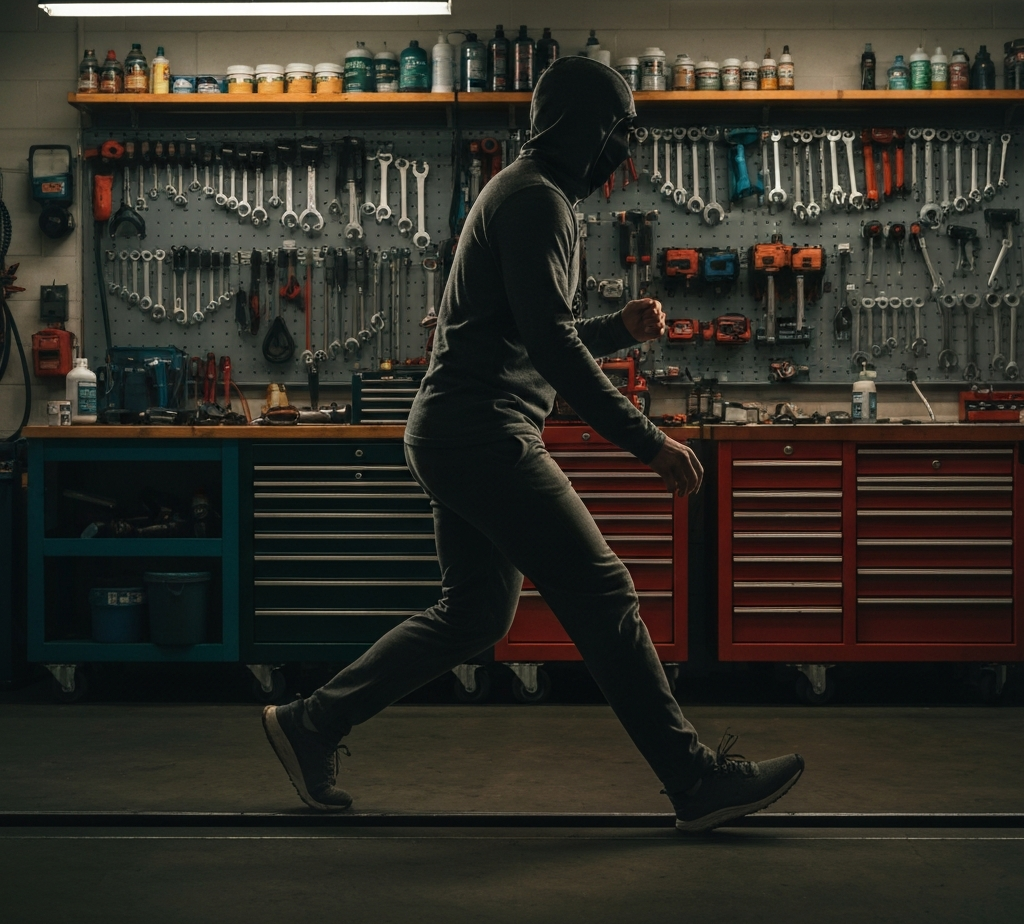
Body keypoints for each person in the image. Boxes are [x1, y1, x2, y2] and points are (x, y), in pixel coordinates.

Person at [263, 56, 803, 832]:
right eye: (617, 130)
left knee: (474, 616)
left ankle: (311, 723)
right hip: (484, 434)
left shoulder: (526, 195)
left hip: (458, 431)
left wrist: (617, 330)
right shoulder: (536, 203)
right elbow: (548, 346)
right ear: (583, 126)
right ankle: (693, 781)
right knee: (605, 591)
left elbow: (527, 334)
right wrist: (648, 442)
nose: (623, 149)